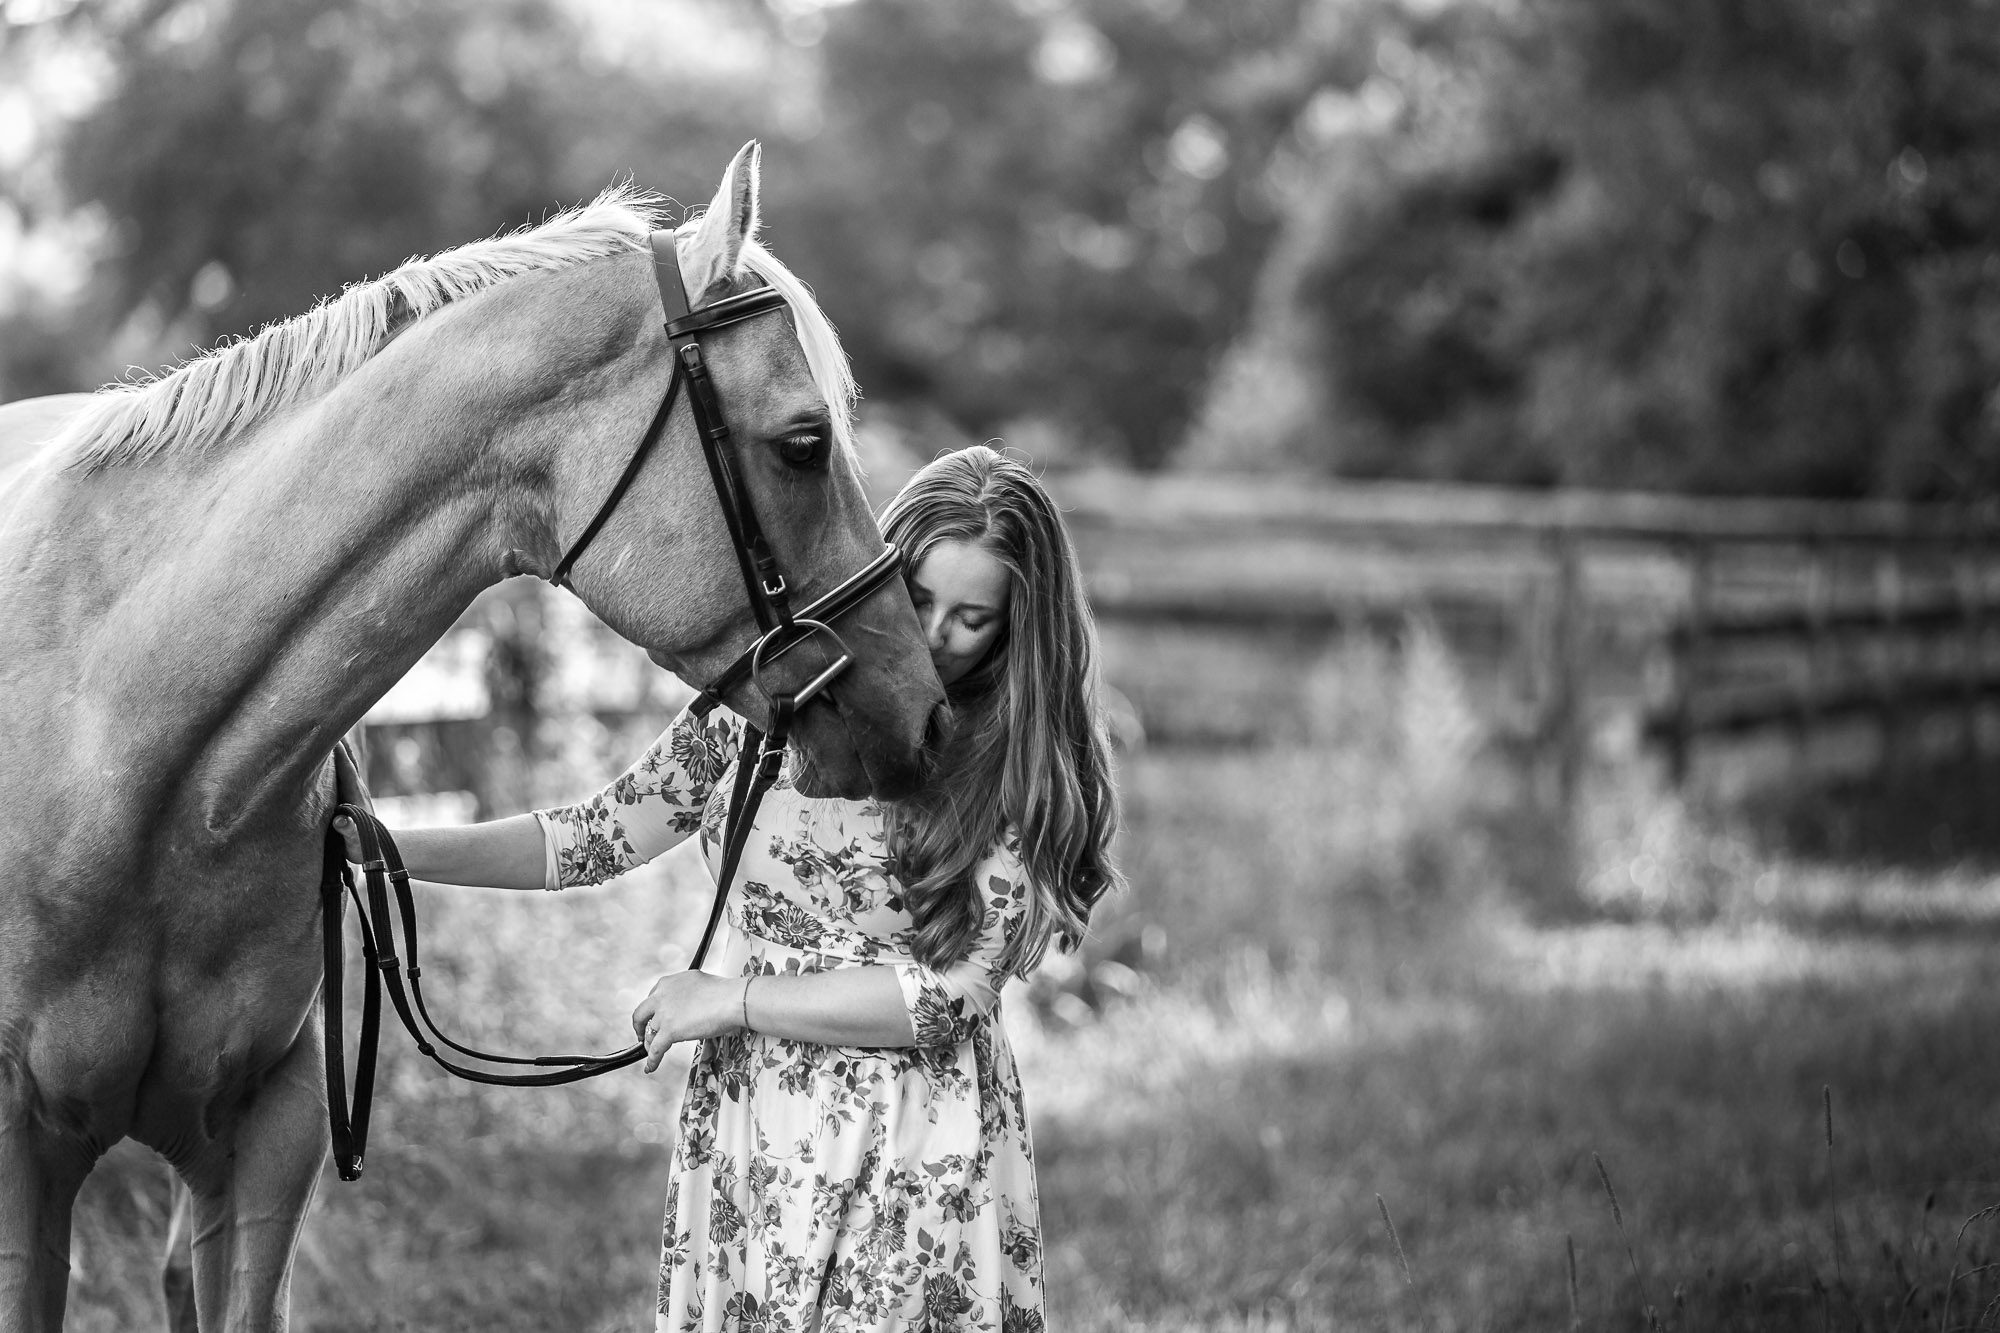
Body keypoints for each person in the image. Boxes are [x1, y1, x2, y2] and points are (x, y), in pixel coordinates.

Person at [340, 444, 1122, 1332]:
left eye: (972, 618)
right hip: (754, 1126)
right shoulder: (768, 707)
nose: (936, 632)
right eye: (920, 594)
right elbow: (598, 835)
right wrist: (390, 851)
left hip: (912, 1146)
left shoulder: (1011, 763)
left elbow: (949, 996)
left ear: (1018, 627)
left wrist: (734, 1000)